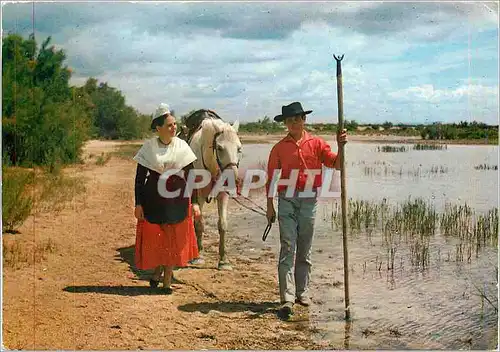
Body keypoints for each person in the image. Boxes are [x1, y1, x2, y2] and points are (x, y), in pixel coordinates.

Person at [265, 101, 348, 319]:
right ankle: (287, 297)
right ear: (285, 123)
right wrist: (269, 205)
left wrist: (341, 146)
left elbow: (336, 164)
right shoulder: (279, 148)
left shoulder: (318, 143)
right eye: (289, 120)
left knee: (305, 248)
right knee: (287, 246)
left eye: (297, 118)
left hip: (309, 199)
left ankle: (302, 292)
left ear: (304, 120)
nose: (293, 123)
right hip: (286, 200)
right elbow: (272, 179)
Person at [133, 103, 201, 294]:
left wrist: (195, 202)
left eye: (175, 124)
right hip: (153, 198)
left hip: (177, 198)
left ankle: (167, 278)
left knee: (174, 237)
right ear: (158, 128)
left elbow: (191, 176)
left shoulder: (182, 146)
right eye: (170, 125)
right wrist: (138, 203)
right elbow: (139, 179)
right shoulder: (148, 148)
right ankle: (157, 271)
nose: (174, 128)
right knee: (158, 238)